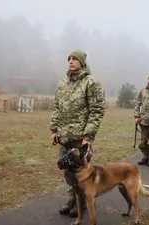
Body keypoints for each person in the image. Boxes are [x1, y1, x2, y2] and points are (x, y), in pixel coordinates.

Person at [49, 49, 106, 218]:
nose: (71, 61)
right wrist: (54, 130)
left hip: (80, 139)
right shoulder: (62, 83)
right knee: (67, 172)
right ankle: (72, 199)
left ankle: (82, 202)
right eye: (69, 59)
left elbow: (97, 110)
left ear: (82, 62)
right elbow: (57, 108)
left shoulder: (91, 83)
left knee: (82, 173)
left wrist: (88, 136)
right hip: (65, 137)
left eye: (74, 59)